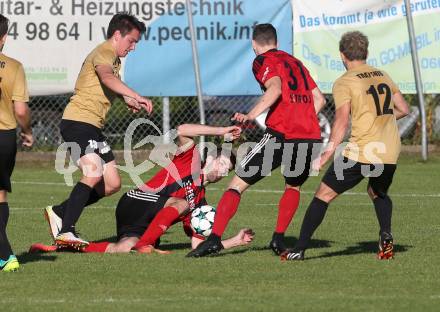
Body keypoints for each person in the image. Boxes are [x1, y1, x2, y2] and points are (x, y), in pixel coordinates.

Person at [187, 23, 326, 258]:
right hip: (309, 135)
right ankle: (278, 239)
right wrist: (300, 117)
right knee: (293, 186)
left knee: (237, 185)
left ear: (254, 44)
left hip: (282, 134)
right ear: (277, 42)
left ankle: (214, 239)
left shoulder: (262, 60)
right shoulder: (296, 62)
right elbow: (319, 99)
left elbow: (275, 89)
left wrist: (249, 116)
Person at [281, 31, 409, 261]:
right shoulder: (383, 75)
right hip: (389, 150)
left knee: (322, 195)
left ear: (342, 55)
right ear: (366, 53)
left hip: (361, 152)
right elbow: (403, 109)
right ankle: (386, 235)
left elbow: (340, 121)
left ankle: (299, 249)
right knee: (377, 192)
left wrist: (327, 153)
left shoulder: (345, 81)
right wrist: (379, 123)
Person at [45, 122, 242, 253]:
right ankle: (146, 243)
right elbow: (182, 129)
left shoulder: (201, 202)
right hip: (135, 200)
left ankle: (68, 248)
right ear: (209, 157)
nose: (224, 172)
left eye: (229, 170)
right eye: (223, 163)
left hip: (144, 222)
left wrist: (234, 241)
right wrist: (222, 132)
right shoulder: (190, 159)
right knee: (181, 203)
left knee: (124, 248)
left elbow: (197, 244)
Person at [45, 13, 153, 248]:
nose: (133, 47)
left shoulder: (115, 59)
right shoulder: (104, 52)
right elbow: (105, 77)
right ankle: (66, 230)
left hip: (93, 126)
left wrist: (127, 100)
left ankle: (60, 211)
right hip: (78, 122)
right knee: (93, 172)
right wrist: (135, 94)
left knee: (112, 183)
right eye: (131, 41)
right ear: (117, 35)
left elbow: (108, 83)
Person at [0, 14, 33, 272]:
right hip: (5, 137)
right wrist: (28, 131)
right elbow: (20, 110)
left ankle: (6, 255)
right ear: (4, 37)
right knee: (0, 193)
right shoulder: (14, 66)